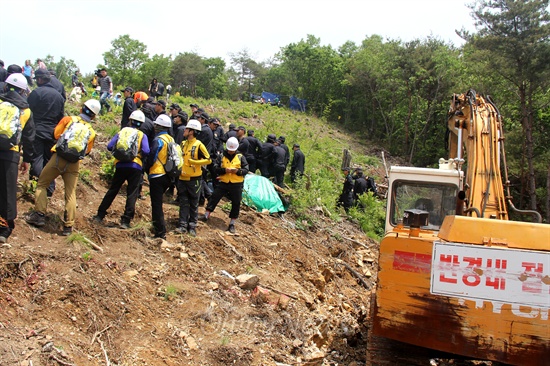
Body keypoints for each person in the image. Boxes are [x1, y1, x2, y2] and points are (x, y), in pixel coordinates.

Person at [26, 99, 99, 236]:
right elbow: (87, 151)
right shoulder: (91, 132)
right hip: (74, 164)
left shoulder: (68, 119)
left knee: (42, 183)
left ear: (82, 108)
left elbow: (56, 134)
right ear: (94, 116)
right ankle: (68, 226)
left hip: (58, 158)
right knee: (70, 193)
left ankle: (39, 215)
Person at [93, 110, 150, 228]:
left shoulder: (122, 131)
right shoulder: (142, 135)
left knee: (113, 190)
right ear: (141, 124)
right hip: (135, 166)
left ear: (130, 121)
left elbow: (109, 146)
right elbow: (146, 151)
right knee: (132, 193)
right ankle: (126, 221)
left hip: (120, 165)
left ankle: (100, 215)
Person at [0, 73, 35, 243]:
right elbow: (29, 138)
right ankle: (5, 227)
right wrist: (26, 159)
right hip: (11, 153)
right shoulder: (26, 111)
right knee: (8, 190)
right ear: (23, 91)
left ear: (6, 86)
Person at [27, 68, 65, 197]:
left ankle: (38, 185)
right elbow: (62, 117)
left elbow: (27, 111)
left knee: (37, 158)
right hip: (52, 132)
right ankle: (49, 188)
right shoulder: (59, 97)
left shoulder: (37, 92)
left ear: (39, 79)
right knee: (49, 161)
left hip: (37, 129)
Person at [200, 137, 249, 234]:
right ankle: (206, 214)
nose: (231, 152)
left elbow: (246, 169)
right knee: (214, 197)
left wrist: (237, 171)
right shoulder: (222, 156)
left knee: (236, 202)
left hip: (236, 183)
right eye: (229, 150)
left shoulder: (240, 157)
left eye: (232, 150)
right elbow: (215, 168)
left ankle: (232, 223)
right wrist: (223, 170)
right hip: (224, 182)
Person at [176, 119, 211, 236]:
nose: (184, 130)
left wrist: (195, 162)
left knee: (193, 203)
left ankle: (192, 226)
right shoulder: (183, 144)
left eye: (186, 129)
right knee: (183, 202)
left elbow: (208, 159)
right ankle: (182, 224)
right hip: (182, 178)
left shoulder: (199, 145)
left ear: (192, 131)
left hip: (194, 179)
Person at [142, 114, 175, 239]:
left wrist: (146, 168)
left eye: (156, 125)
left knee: (156, 204)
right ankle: (159, 229)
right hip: (168, 175)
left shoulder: (158, 140)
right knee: (158, 203)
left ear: (160, 127)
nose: (154, 127)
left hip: (157, 174)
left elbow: (152, 157)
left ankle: (160, 232)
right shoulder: (171, 139)